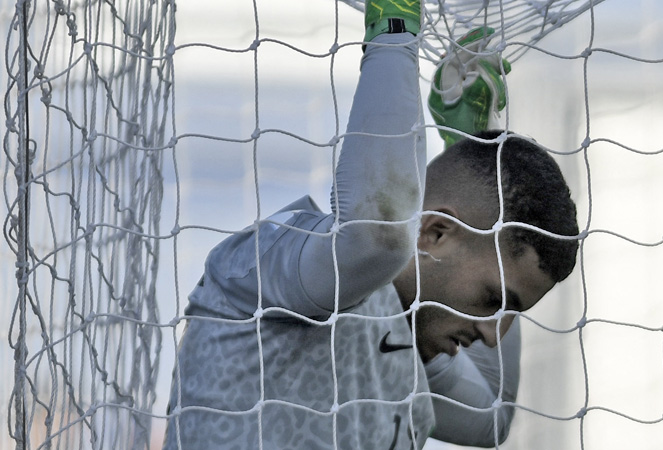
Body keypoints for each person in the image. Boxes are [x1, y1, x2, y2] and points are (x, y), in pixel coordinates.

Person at [163, 1, 578, 449]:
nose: (493, 337)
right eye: (493, 300)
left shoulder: (409, 334)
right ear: (434, 234)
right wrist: (394, 32)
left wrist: (473, 142)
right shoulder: (282, 265)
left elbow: (489, 419)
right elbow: (375, 238)